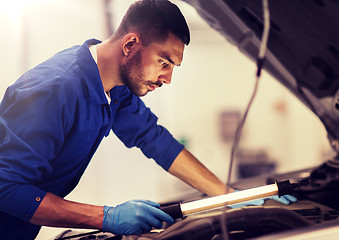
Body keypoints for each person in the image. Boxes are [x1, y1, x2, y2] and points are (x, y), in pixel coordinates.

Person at [0, 0, 228, 239]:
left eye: (173, 67)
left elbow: (153, 138)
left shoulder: (115, 87)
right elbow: (6, 187)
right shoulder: (55, 89)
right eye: (164, 62)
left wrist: (226, 194)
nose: (168, 78)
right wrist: (106, 217)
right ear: (130, 44)